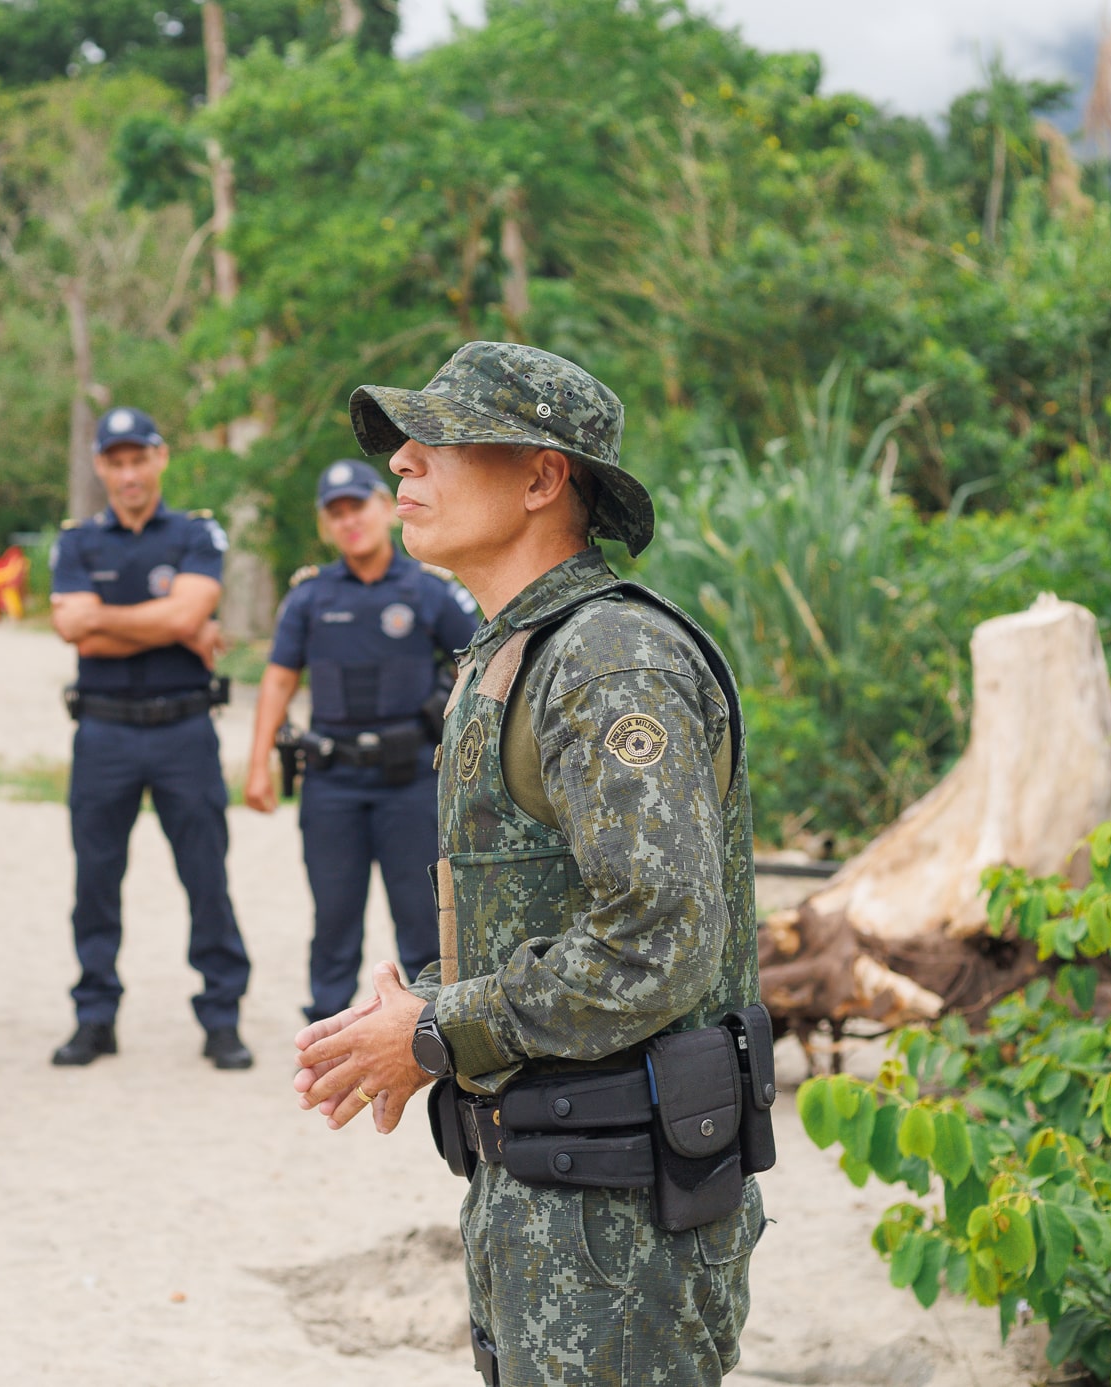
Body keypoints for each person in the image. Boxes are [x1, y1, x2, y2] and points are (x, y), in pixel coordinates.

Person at [290, 343, 767, 1386]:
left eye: (440, 441)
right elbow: (559, 912)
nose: (402, 466)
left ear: (544, 477)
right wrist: (423, 1005)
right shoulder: (517, 650)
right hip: (547, 1186)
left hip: (618, 1215)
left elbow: (660, 943)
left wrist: (432, 1031)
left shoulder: (607, 660)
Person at [48, 407, 253, 1071]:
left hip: (183, 729)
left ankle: (221, 1017)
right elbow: (72, 629)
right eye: (116, 460)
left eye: (140, 458)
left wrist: (108, 619)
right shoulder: (78, 542)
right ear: (101, 466)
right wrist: (172, 626)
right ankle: (94, 1016)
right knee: (95, 880)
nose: (129, 472)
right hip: (103, 729)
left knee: (205, 876)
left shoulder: (197, 533)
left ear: (160, 458)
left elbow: (187, 610)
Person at [245, 459, 478, 1023]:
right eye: (336, 513)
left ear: (384, 506)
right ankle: (326, 1027)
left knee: (424, 921)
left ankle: (430, 1028)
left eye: (358, 506)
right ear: (327, 525)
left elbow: (482, 660)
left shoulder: (430, 591)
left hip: (410, 783)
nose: (350, 521)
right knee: (334, 916)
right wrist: (257, 766)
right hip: (332, 784)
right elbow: (279, 678)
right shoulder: (310, 597)